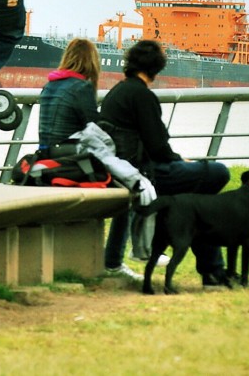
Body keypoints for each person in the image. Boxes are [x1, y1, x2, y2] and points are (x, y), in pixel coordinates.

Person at [99, 39, 231, 287]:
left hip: (121, 170)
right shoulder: (142, 96)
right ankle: (213, 271)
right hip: (144, 173)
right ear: (157, 67)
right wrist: (182, 160)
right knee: (217, 173)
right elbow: (159, 148)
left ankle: (213, 270)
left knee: (196, 200)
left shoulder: (117, 92)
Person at [36, 38, 158, 282]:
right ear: (92, 62)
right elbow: (97, 127)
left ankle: (121, 256)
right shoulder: (81, 88)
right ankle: (118, 259)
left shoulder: (49, 86)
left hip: (46, 158)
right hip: (72, 161)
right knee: (131, 185)